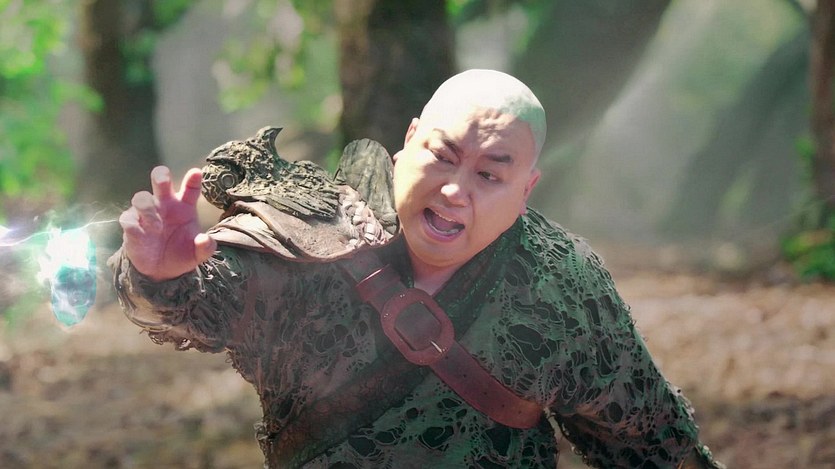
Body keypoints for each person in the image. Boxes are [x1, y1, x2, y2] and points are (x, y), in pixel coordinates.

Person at [110, 69, 722, 468]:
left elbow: (653, 445)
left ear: (526, 190)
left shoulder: (562, 284)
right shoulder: (306, 236)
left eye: (490, 175)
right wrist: (156, 273)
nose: (456, 191)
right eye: (443, 156)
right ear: (409, 140)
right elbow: (191, 303)